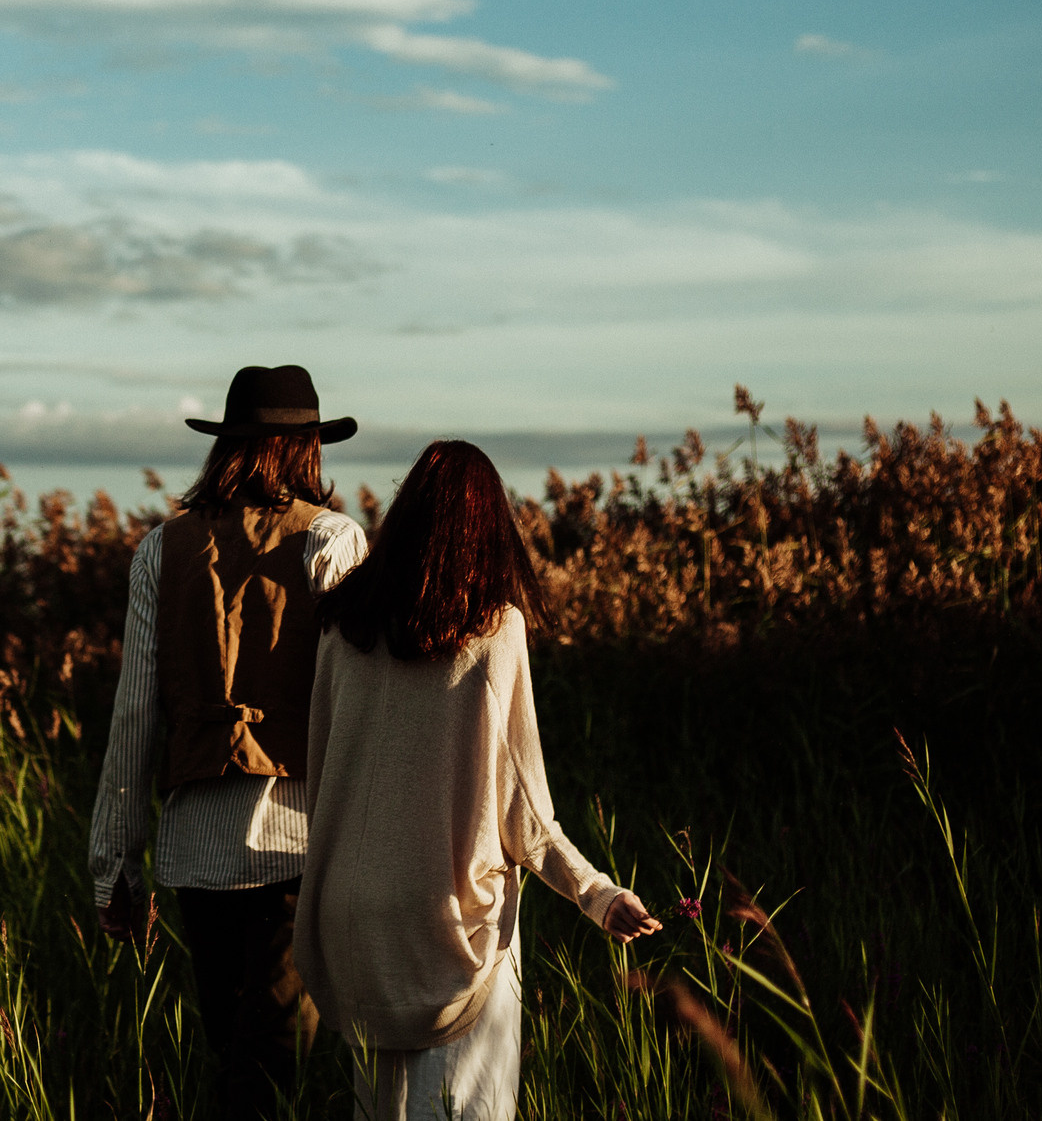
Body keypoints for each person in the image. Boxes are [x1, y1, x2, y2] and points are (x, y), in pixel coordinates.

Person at [294, 439, 661, 1121]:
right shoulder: (494, 629)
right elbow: (524, 810)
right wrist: (596, 893)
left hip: (351, 918)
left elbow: (320, 772)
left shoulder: (341, 627)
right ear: (489, 529)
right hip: (447, 923)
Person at [89, 364, 371, 1121]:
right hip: (298, 842)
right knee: (273, 1073)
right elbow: (357, 706)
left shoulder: (161, 548)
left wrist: (115, 864)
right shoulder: (333, 540)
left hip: (194, 849)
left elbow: (134, 715)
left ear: (228, 445)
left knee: (234, 1061)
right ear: (307, 446)